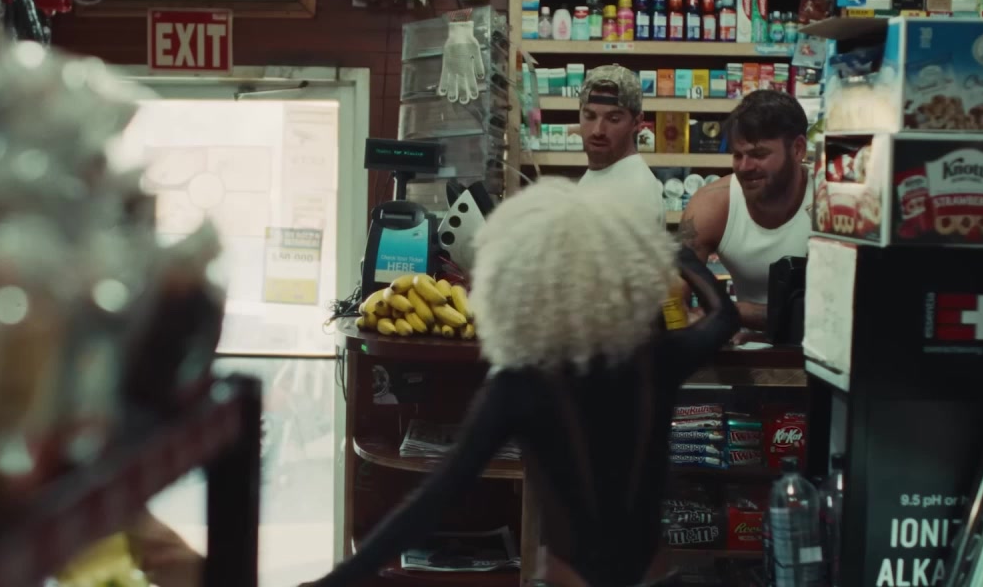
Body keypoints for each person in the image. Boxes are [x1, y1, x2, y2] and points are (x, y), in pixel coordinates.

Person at [302, 178, 740, 587]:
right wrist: (679, 257)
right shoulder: (656, 358)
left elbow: (434, 499)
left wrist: (339, 579)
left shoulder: (521, 385)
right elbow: (724, 317)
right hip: (654, 577)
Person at [677, 90, 811, 333]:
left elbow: (849, 311)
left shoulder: (832, 203)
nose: (745, 167)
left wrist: (736, 312)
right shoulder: (712, 204)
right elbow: (672, 299)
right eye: (738, 155)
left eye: (759, 154)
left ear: (798, 149)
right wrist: (686, 325)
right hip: (747, 350)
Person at [575, 64, 665, 232]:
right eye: (589, 116)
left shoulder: (634, 194)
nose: (597, 130)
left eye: (613, 119)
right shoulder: (606, 174)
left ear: (637, 122)